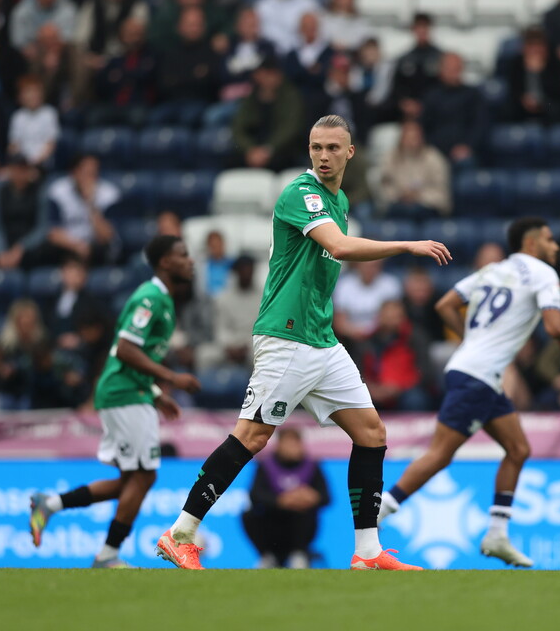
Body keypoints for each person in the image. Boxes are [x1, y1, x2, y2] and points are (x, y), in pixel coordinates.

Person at [155, 114, 450, 571]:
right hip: (286, 337)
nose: (324, 156)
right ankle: (181, 532)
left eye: (333, 148)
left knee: (371, 433)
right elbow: (343, 248)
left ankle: (368, 553)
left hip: (321, 340)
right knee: (251, 437)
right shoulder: (302, 193)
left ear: (350, 152)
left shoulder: (341, 199)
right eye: (316, 147)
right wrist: (407, 245)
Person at [378, 217, 560, 568]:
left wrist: (473, 341)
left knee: (517, 448)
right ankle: (374, 516)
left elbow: (444, 306)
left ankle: (497, 535)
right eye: (549, 239)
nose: (555, 246)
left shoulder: (491, 271)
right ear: (531, 244)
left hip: (477, 372)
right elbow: (555, 326)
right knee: (439, 455)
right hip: (478, 376)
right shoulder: (544, 274)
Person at [29, 235, 202, 568]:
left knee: (130, 480)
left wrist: (155, 394)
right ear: (165, 262)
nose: (190, 261)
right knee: (145, 476)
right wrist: (169, 378)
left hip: (132, 392)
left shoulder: (163, 300)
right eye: (183, 255)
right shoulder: (151, 298)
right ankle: (107, 554)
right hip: (124, 395)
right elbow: (124, 348)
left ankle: (48, 504)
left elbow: (127, 355)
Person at [241, 427, 330, 568]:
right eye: (288, 444)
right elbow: (255, 495)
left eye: (296, 444)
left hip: (300, 524)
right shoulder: (266, 466)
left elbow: (326, 497)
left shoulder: (312, 466)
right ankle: (267, 556)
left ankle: (299, 554)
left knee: (307, 512)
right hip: (273, 523)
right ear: (279, 445)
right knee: (248, 515)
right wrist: (280, 501)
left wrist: (312, 497)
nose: (292, 448)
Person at [231, 55, 305, 171]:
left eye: (271, 74)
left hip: (279, 149)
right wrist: (250, 149)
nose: (268, 78)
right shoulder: (251, 98)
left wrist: (268, 149)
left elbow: (291, 128)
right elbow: (238, 128)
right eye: (263, 74)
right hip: (253, 150)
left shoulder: (291, 96)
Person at [44, 155, 121, 265]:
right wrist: (77, 246)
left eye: (94, 173)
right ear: (74, 173)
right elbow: (53, 233)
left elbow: (106, 236)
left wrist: (91, 203)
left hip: (94, 246)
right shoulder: (58, 191)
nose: (90, 178)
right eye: (86, 173)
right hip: (68, 244)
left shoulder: (108, 194)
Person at [0, 155, 50, 270]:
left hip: (30, 249)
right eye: (16, 169)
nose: (19, 174)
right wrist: (0, 251)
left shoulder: (39, 192)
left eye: (23, 170)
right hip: (3, 245)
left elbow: (42, 228)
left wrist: (22, 247)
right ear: (10, 171)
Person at [421, 52, 488, 166]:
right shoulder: (431, 96)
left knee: (466, 164)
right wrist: (431, 149)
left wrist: (467, 146)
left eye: (456, 68)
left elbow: (480, 124)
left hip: (464, 152)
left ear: (462, 69)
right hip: (434, 152)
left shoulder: (473, 94)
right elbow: (423, 126)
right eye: (449, 68)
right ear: (441, 70)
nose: (452, 72)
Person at [197, 255, 263, 369]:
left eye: (250, 270)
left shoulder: (263, 297)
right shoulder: (223, 298)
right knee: (203, 354)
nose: (247, 274)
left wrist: (246, 347)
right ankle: (207, 386)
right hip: (229, 346)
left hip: (252, 346)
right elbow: (221, 328)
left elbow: (264, 329)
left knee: (262, 359)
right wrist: (230, 347)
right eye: (243, 270)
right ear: (237, 272)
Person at [505, 26, 560, 125]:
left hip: (548, 105)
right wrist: (523, 99)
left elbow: (559, 92)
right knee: (508, 108)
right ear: (524, 48)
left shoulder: (554, 63)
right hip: (522, 106)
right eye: (531, 46)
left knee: (558, 108)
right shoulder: (516, 64)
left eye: (539, 46)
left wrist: (540, 73)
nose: (535, 50)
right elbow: (513, 90)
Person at [378, 120, 451, 220]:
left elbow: (442, 193)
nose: (411, 142)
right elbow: (384, 187)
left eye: (414, 138)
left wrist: (418, 196)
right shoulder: (390, 157)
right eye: (407, 137)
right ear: (401, 138)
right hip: (398, 205)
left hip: (426, 208)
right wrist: (400, 195)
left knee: (417, 212)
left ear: (421, 138)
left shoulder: (434, 158)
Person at [333, 260, 403, 342]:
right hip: (351, 340)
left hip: (383, 338)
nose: (369, 269)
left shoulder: (390, 284)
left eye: (373, 266)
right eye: (365, 266)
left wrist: (371, 332)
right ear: (357, 266)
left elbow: (395, 318)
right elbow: (339, 323)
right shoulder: (344, 285)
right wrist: (358, 333)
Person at [8, 75, 59, 169]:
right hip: (22, 165)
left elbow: (51, 144)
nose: (33, 95)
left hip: (43, 165)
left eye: (36, 91)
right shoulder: (18, 116)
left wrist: (35, 163)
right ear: (21, 96)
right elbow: (13, 145)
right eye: (28, 92)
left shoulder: (49, 113)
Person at [255, 0, 320, 56]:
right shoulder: (264, 4)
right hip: (271, 55)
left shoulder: (308, 1)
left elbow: (316, 31)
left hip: (300, 55)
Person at [9, 0, 77, 54]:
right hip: (29, 61)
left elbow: (69, 39)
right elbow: (18, 43)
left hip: (62, 58)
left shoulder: (68, 10)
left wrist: (51, 42)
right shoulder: (21, 12)